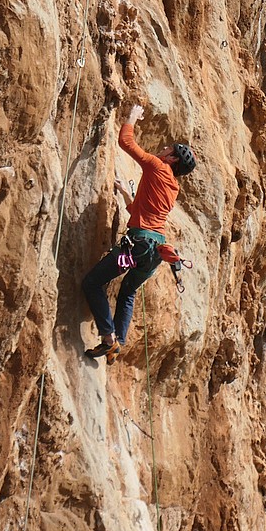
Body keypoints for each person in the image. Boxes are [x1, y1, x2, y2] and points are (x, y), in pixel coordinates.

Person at [82, 103, 196, 362]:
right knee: (128, 291)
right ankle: (118, 342)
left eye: (170, 149)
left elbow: (126, 143)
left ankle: (109, 338)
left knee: (91, 283)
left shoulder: (157, 166)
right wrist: (125, 194)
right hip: (152, 253)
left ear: (172, 159)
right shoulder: (173, 187)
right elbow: (146, 211)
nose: (164, 148)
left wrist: (132, 117)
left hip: (137, 246)